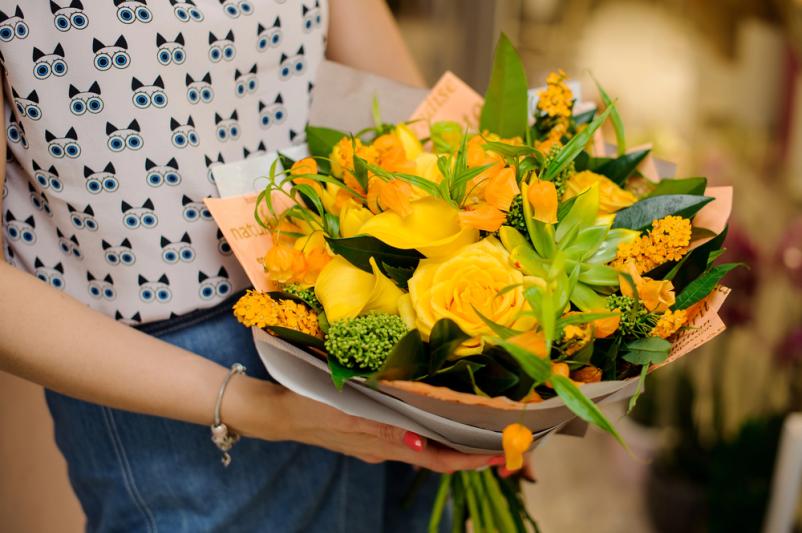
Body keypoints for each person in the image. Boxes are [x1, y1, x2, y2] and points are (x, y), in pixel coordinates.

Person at [0, 1, 500, 531]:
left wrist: (508, 358)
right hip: (168, 376)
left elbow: (408, 111)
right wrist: (263, 409)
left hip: (367, 303)